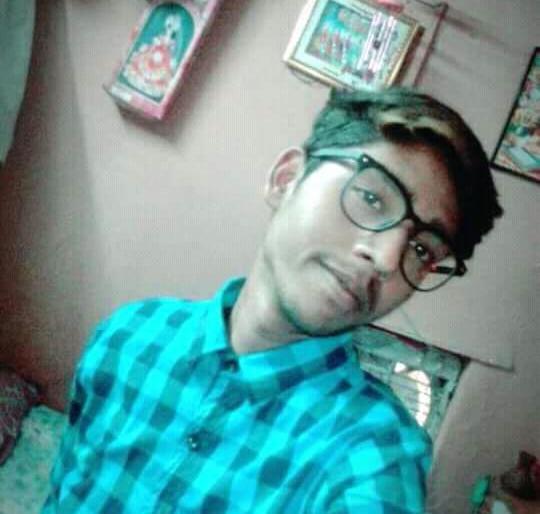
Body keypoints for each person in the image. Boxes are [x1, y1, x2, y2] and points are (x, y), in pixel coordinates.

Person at [42, 88, 503, 514]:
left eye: (422, 250)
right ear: (286, 180)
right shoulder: (129, 336)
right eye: (371, 197)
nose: (386, 259)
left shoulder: (373, 457)